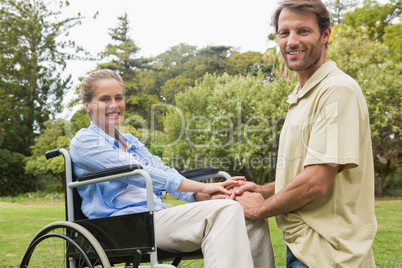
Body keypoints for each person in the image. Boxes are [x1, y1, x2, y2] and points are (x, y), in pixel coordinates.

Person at [69, 69, 275, 267]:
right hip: (125, 223)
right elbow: (141, 174)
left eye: (118, 97)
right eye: (105, 99)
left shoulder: (130, 141)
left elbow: (162, 171)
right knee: (228, 209)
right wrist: (203, 187)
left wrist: (201, 195)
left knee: (248, 214)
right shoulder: (84, 142)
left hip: (157, 214)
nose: (114, 105)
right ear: (88, 105)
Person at [231, 0, 377, 267]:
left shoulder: (336, 90)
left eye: (303, 31)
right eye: (284, 33)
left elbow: (316, 181)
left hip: (328, 254)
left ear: (326, 34)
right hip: (302, 247)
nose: (291, 41)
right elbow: (304, 173)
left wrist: (261, 208)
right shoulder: (301, 96)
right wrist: (263, 190)